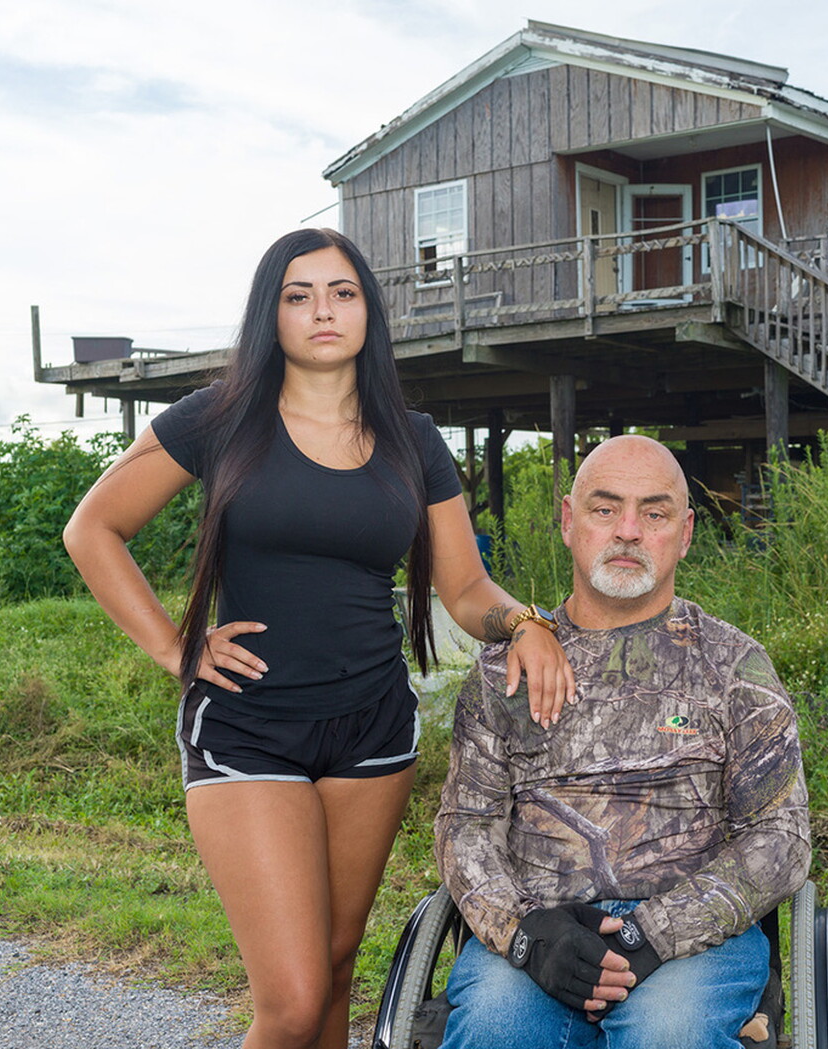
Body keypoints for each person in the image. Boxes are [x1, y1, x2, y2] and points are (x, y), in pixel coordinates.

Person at [63, 227, 575, 1049]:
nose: (322, 311)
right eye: (297, 296)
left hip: (372, 730)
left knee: (337, 966)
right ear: (272, 316)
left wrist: (525, 622)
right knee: (295, 1000)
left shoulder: (413, 438)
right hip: (247, 726)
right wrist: (176, 647)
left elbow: (465, 585)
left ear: (368, 309)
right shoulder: (220, 417)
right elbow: (93, 528)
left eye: (341, 292)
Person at [434, 434, 811, 1049]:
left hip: (693, 940)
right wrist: (527, 934)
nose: (629, 531)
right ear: (568, 521)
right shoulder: (501, 672)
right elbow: (465, 826)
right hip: (541, 927)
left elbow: (782, 838)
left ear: (685, 532)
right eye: (605, 509)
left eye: (654, 513)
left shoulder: (734, 666)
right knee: (494, 1031)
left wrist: (654, 935)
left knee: (667, 1034)